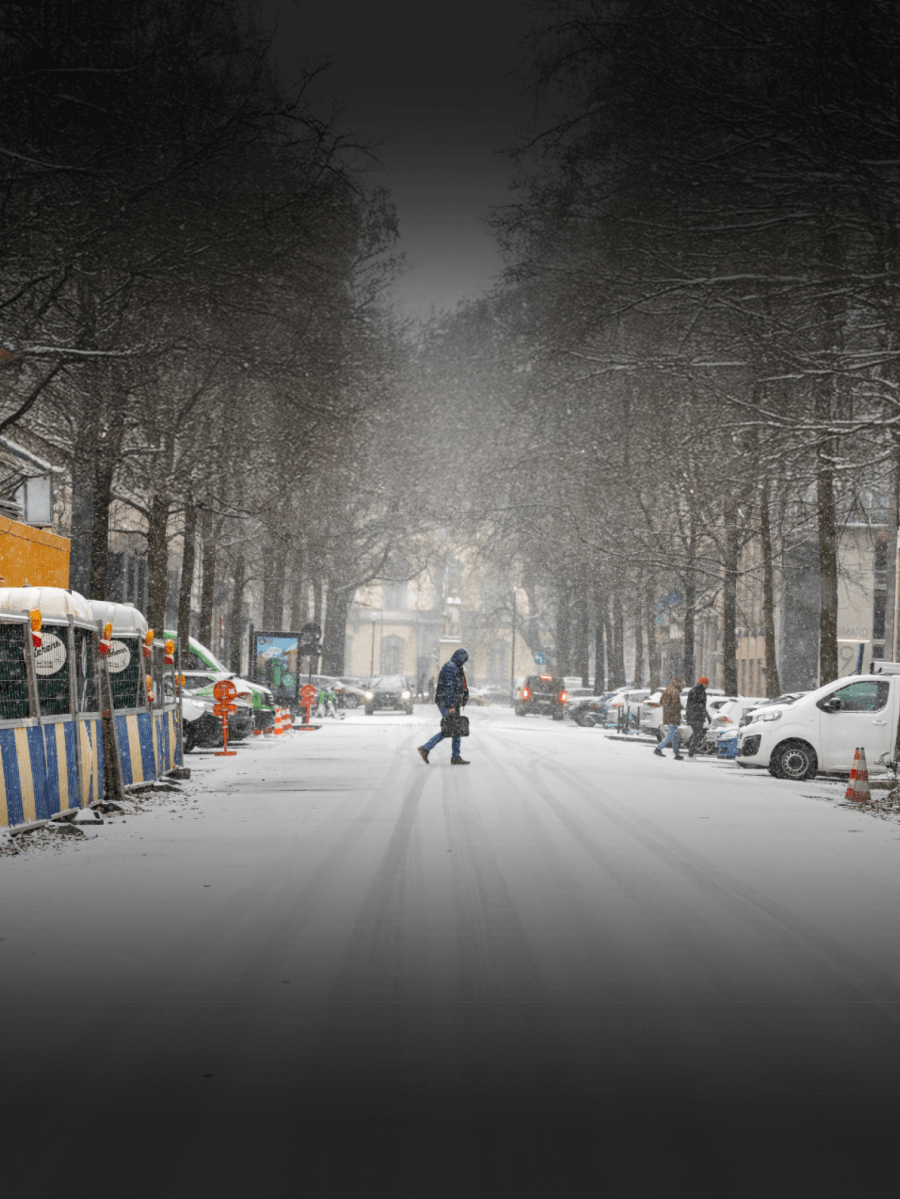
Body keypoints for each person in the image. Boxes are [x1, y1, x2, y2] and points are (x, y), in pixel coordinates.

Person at [417, 648, 470, 765]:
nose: (464, 662)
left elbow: (458, 686)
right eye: (464, 660)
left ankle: (455, 757)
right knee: (450, 729)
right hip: (447, 704)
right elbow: (449, 688)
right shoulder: (451, 667)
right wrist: (451, 705)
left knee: (456, 730)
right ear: (460, 658)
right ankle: (425, 748)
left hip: (452, 704)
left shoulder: (456, 667)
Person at [654, 676, 685, 759]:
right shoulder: (674, 691)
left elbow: (661, 702)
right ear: (677, 683)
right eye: (680, 684)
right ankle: (658, 748)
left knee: (674, 736)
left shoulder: (667, 689)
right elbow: (676, 705)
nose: (681, 686)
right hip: (673, 716)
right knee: (671, 735)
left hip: (668, 715)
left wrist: (668, 706)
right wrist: (681, 706)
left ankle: (677, 754)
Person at [685, 676, 711, 757]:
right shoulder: (699, 692)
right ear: (703, 684)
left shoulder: (696, 691)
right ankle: (691, 754)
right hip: (696, 717)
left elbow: (698, 705)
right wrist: (705, 714)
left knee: (697, 735)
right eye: (706, 684)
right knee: (697, 734)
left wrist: (706, 715)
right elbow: (698, 705)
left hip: (695, 717)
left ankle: (691, 751)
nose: (707, 686)